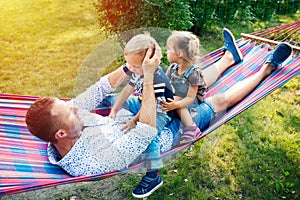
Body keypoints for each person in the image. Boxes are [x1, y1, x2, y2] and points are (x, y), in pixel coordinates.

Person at [25, 48, 162, 178]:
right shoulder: (92, 163)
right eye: (69, 111)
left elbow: (99, 89)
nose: (74, 108)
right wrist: (149, 76)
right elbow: (146, 132)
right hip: (161, 126)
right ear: (61, 134)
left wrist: (130, 67)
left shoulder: (66, 123)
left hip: (131, 111)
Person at [162, 28, 293, 141]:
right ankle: (267, 68)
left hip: (168, 110)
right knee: (218, 101)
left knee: (194, 82)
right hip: (178, 127)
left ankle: (229, 57)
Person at [103, 33, 174, 198]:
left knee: (149, 135)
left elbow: (150, 108)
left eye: (135, 66)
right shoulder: (138, 70)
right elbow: (128, 89)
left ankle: (153, 176)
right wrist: (114, 109)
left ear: (149, 61)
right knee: (109, 99)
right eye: (129, 65)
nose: (131, 69)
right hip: (142, 103)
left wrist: (134, 121)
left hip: (160, 111)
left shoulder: (158, 79)